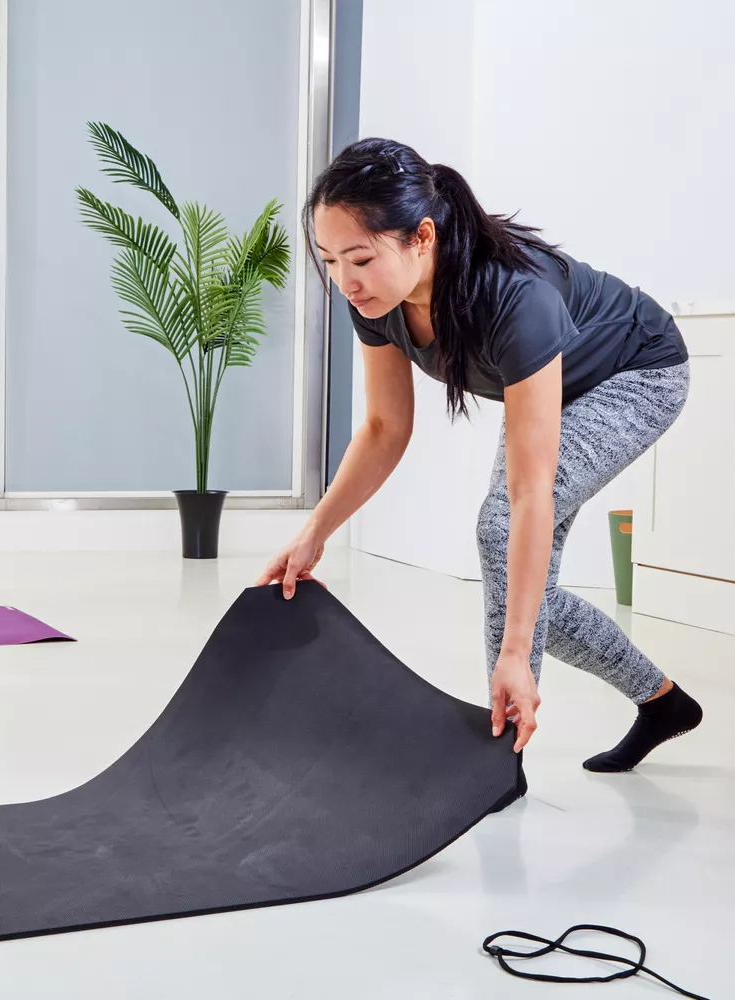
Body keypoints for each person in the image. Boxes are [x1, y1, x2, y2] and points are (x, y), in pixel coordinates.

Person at [257, 138, 702, 773]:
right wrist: (313, 534)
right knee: (522, 582)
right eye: (329, 261)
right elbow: (384, 428)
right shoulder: (377, 302)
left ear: (422, 237)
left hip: (636, 372)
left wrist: (517, 650)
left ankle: (498, 761)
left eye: (360, 258)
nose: (345, 281)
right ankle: (662, 703)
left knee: (502, 532)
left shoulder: (515, 296)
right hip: (553, 383)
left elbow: (530, 492)